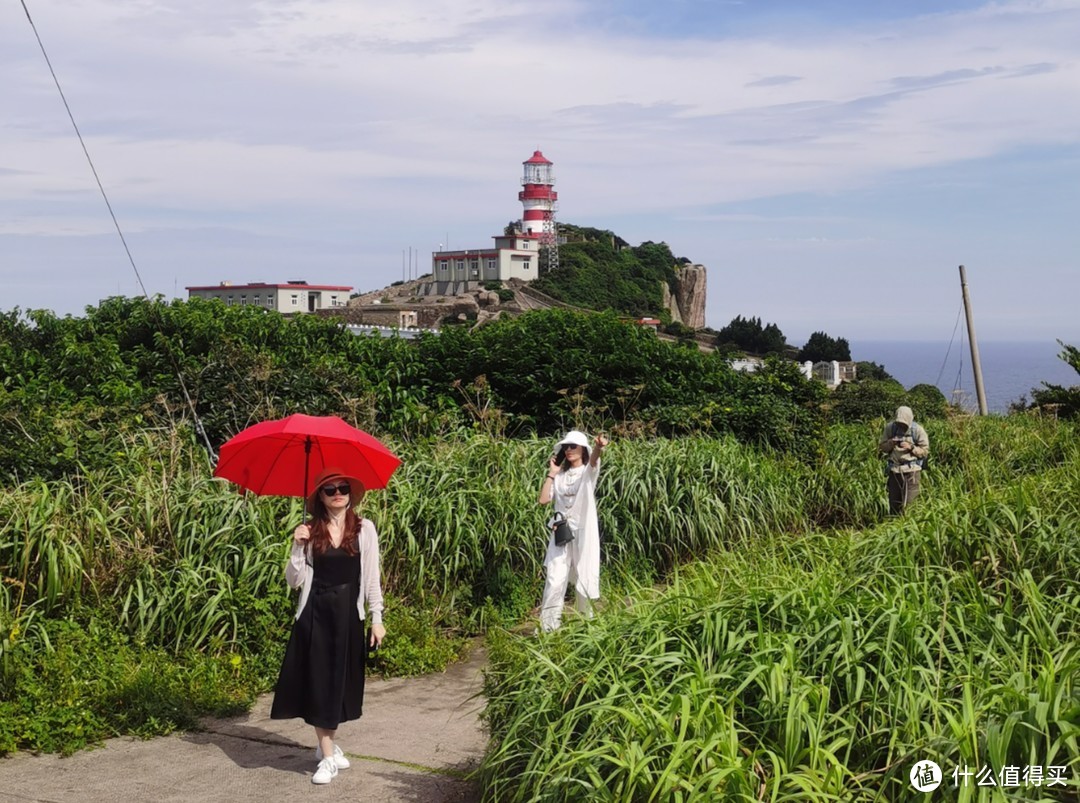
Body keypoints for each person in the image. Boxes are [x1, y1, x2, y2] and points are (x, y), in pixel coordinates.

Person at [270, 467, 386, 785]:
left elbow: (372, 578)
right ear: (320, 497)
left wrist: (377, 619)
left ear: (350, 493)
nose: (337, 494)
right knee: (320, 683)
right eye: (330, 489)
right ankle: (327, 755)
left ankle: (327, 748)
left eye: (342, 488)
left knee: (340, 685)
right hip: (315, 615)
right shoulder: (310, 531)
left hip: (348, 616)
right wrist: (296, 546)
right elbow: (294, 582)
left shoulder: (365, 530)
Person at [537, 430, 609, 632]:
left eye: (573, 446)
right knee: (554, 578)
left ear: (582, 450)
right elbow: (543, 500)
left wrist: (598, 448)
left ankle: (587, 626)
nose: (568, 450)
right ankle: (548, 629)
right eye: (565, 447)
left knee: (584, 577)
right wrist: (552, 473)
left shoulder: (587, 472)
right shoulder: (559, 476)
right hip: (561, 533)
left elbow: (594, 461)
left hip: (584, 532)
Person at [878, 406, 929, 515]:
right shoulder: (890, 428)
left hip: (912, 471)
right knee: (894, 505)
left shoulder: (917, 430)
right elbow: (882, 447)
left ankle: (909, 528)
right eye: (899, 423)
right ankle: (894, 527)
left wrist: (911, 448)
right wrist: (891, 443)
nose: (901, 426)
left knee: (910, 505)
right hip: (895, 470)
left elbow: (925, 451)